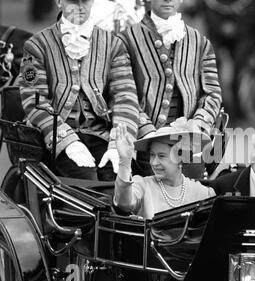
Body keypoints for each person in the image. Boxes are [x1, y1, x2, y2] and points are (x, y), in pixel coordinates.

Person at [19, 0, 140, 181]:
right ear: (59, 2)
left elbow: (125, 97)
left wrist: (116, 144)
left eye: (85, 1)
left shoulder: (113, 45)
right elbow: (35, 101)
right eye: (73, 1)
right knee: (84, 177)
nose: (80, 7)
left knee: (117, 176)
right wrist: (67, 140)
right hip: (57, 136)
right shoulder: (37, 45)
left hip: (100, 135)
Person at [117, 0, 222, 176]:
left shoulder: (200, 41)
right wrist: (150, 134)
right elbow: (123, 96)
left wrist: (197, 123)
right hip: (146, 143)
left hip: (188, 142)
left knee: (195, 194)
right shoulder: (125, 40)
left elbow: (212, 93)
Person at [114, 117, 216, 220]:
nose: (154, 162)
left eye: (161, 156)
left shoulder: (204, 193)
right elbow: (124, 204)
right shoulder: (143, 185)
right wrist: (125, 162)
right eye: (152, 155)